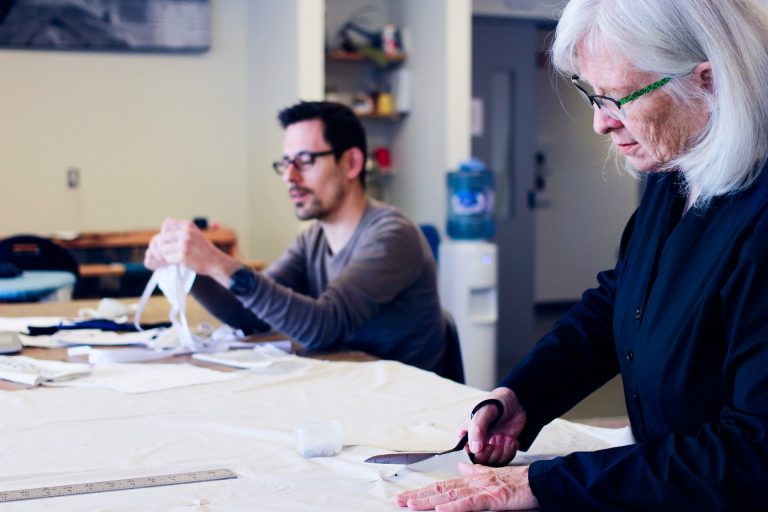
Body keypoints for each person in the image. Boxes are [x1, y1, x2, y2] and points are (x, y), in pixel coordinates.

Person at [397, 0, 768, 510]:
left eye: (618, 98)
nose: (600, 123)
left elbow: (754, 456)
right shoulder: (678, 170)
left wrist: (543, 483)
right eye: (592, 95)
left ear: (709, 82)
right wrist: (525, 396)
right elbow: (620, 302)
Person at [144, 101, 447, 375]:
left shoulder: (392, 236)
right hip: (351, 388)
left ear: (352, 163)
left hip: (409, 410)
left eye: (305, 160)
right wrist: (193, 268)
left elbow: (323, 327)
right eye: (286, 163)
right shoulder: (313, 239)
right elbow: (250, 316)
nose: (290, 176)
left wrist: (217, 262)